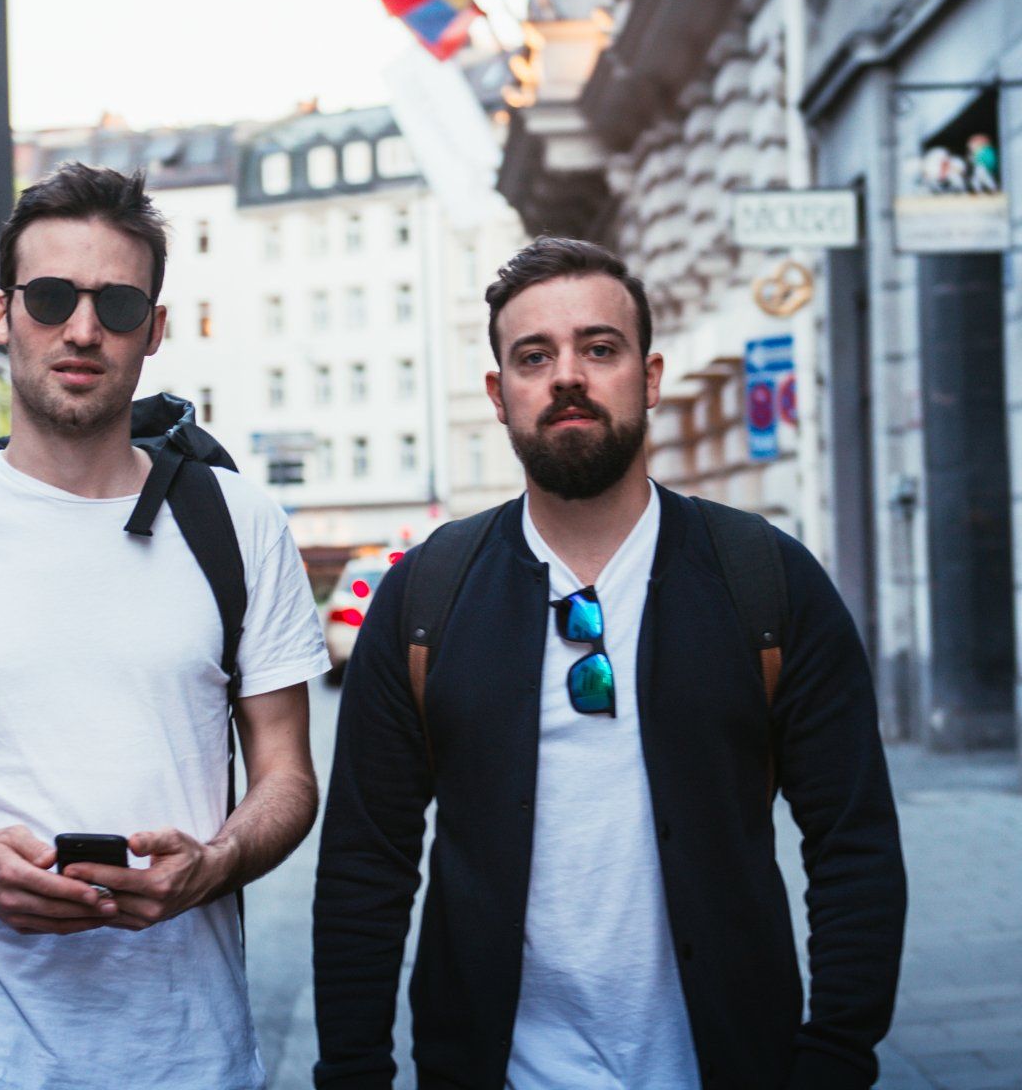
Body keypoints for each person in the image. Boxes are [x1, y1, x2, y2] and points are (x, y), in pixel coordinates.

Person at [313, 236, 907, 1088]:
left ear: (650, 377)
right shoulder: (425, 601)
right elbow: (366, 864)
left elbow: (853, 841)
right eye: (534, 356)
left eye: (600, 348)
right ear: (499, 393)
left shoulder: (765, 581)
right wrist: (353, 1073)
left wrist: (837, 1055)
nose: (567, 376)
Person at [0, 164, 330, 1088]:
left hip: (187, 1053)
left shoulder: (237, 524)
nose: (84, 329)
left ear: (154, 331)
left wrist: (212, 864)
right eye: (52, 298)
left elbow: (288, 777)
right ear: (3, 313)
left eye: (118, 305)